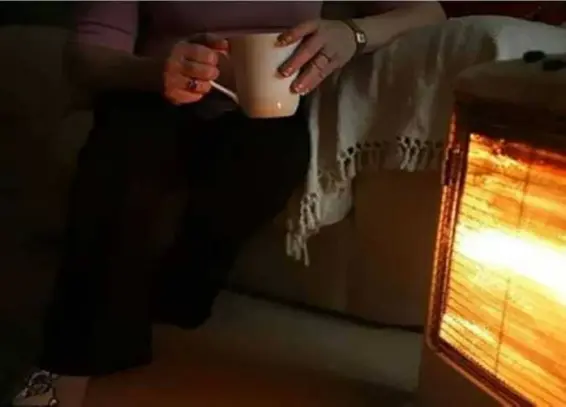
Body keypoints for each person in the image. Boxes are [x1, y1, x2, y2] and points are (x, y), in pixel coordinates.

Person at [12, 2, 445, 406]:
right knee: (126, 149)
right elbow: (87, 55)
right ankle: (68, 360)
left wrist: (354, 34)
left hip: (271, 104)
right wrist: (154, 72)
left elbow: (428, 11)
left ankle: (178, 293)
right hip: (152, 90)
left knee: (275, 155)